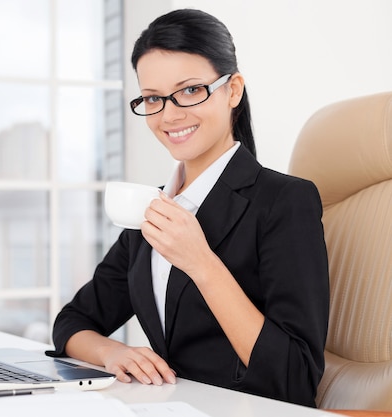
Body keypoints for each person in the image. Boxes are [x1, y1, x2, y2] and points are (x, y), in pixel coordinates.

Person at [47, 8, 330, 408]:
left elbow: (295, 377)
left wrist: (201, 262)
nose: (169, 113)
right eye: (152, 98)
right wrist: (114, 355)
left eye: (191, 90)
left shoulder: (284, 201)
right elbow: (72, 324)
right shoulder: (152, 208)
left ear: (232, 90)